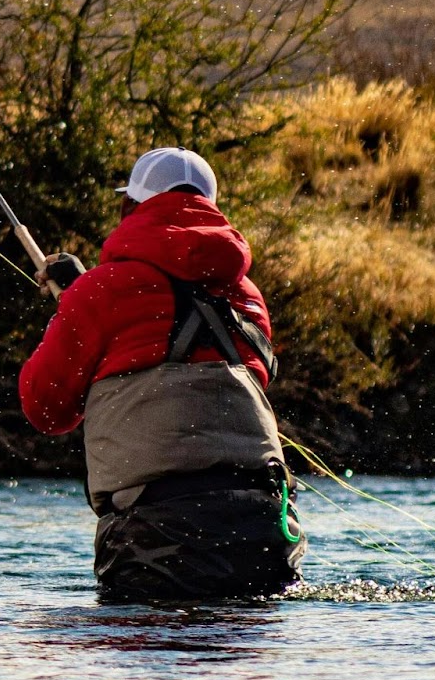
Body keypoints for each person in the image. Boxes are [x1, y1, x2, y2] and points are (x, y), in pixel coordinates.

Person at [19, 147, 306, 602]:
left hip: (155, 541)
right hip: (266, 529)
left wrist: (76, 304)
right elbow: (174, 318)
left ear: (129, 207)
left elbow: (47, 409)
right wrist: (85, 294)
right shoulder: (249, 298)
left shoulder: (101, 293)